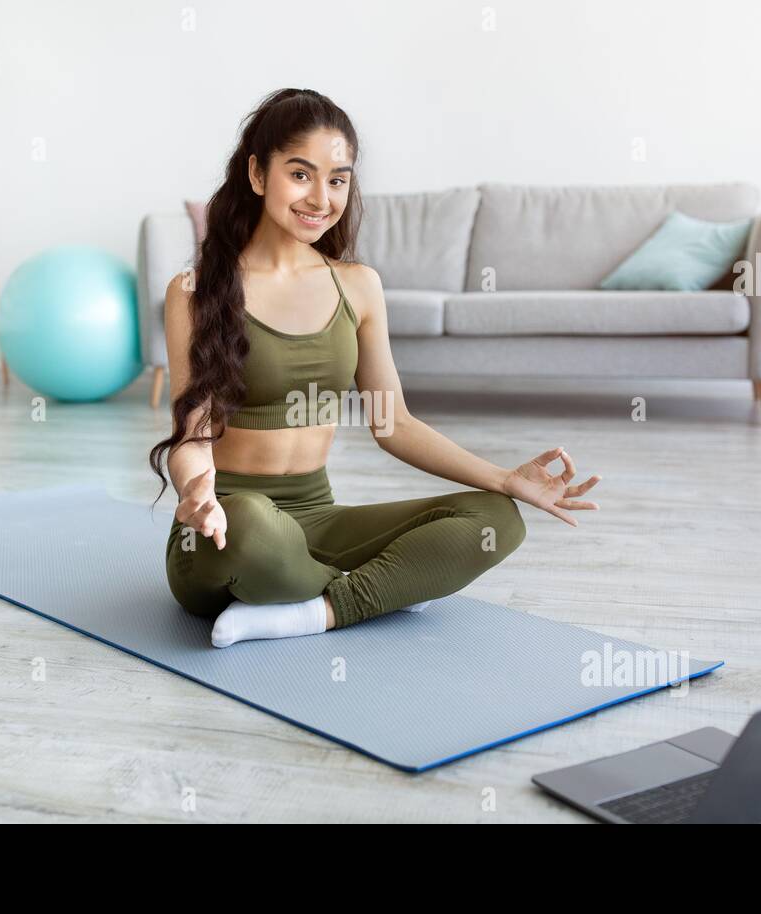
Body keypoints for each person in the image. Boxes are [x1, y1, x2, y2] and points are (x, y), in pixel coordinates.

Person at [148, 88, 600, 648]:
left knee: (496, 520)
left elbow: (394, 425)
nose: (321, 197)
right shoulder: (194, 292)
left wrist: (505, 479)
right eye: (300, 174)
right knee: (255, 527)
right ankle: (385, 590)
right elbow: (191, 434)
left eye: (337, 179)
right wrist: (198, 488)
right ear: (258, 175)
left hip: (317, 519)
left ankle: (318, 611)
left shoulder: (357, 285)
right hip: (222, 529)